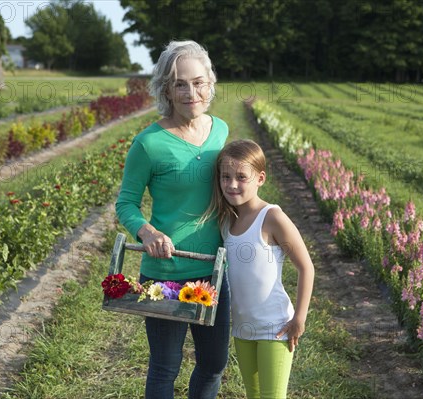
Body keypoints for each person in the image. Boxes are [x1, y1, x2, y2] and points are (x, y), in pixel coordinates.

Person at [115, 40, 230, 399]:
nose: (191, 91)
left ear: (210, 83)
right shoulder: (149, 144)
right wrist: (146, 231)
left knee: (214, 363)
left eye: (198, 82)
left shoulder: (221, 131)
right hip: (165, 273)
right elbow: (126, 204)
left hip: (213, 270)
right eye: (180, 83)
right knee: (165, 367)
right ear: (166, 88)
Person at [202, 139, 315, 399]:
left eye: (241, 177)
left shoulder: (272, 217)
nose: (231, 184)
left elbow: (306, 267)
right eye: (225, 176)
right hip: (242, 327)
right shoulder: (226, 221)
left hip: (275, 327)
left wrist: (300, 318)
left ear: (260, 178)